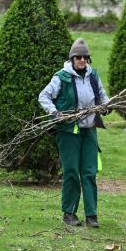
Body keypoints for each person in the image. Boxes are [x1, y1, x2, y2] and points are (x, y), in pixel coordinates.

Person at [38, 38, 110, 228]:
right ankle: (69, 213)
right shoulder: (61, 77)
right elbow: (44, 96)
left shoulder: (93, 75)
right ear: (72, 59)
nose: (82, 60)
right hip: (68, 131)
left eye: (85, 57)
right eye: (78, 57)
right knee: (71, 172)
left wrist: (106, 106)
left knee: (89, 172)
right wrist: (55, 113)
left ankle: (91, 216)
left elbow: (102, 95)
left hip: (89, 131)